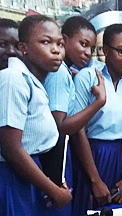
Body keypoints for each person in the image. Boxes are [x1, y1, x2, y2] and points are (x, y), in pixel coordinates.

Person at [0, 15, 72, 216]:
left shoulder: (33, 82)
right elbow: (11, 148)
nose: (56, 50)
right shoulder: (13, 79)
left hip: (33, 175)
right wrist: (53, 191)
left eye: (60, 43)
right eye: (45, 42)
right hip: (14, 179)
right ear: (24, 48)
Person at [71, 24, 122, 216]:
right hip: (91, 156)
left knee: (114, 210)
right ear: (106, 50)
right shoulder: (87, 77)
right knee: (88, 208)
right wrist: (94, 180)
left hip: (117, 157)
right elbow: (78, 130)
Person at [42, 16, 106, 216]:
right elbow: (60, 127)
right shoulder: (59, 73)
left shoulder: (66, 71)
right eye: (83, 44)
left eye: (92, 49)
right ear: (64, 40)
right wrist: (98, 103)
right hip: (55, 158)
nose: (87, 53)